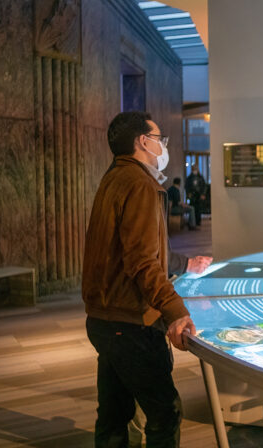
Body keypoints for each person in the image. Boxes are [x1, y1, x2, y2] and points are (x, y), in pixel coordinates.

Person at [82, 111, 211, 448]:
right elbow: (142, 261)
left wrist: (182, 264)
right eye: (158, 138)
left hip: (105, 319)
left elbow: (136, 249)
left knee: (113, 415)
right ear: (143, 141)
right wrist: (175, 311)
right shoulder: (139, 183)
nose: (161, 145)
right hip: (131, 323)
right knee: (164, 414)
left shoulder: (115, 178)